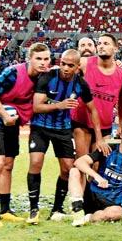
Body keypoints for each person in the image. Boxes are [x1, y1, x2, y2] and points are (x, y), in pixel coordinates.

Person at [27, 49, 108, 224]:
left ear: (78, 67)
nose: (65, 68)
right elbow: (36, 107)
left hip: (62, 129)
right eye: (63, 63)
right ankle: (33, 208)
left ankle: (56, 208)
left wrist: (99, 137)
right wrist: (61, 105)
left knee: (67, 169)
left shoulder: (81, 84)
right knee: (35, 162)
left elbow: (93, 110)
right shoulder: (48, 77)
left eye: (70, 65)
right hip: (40, 127)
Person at [0, 43, 50, 227]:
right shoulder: (13, 72)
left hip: (13, 120)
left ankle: (5, 210)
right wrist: (4, 115)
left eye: (46, 59)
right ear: (30, 59)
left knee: (9, 165)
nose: (43, 63)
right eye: (39, 59)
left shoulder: (45, 77)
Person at [69, 121, 122, 227]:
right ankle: (77, 210)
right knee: (74, 171)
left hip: (113, 203)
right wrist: (97, 177)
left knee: (116, 213)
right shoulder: (108, 149)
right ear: (120, 134)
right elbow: (79, 162)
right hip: (93, 194)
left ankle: (87, 218)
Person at [71, 33, 122, 158]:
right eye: (99, 43)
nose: (101, 46)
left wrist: (121, 126)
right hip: (82, 122)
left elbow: (121, 104)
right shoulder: (85, 63)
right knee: (82, 162)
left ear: (116, 48)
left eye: (106, 44)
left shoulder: (121, 73)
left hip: (105, 125)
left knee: (97, 166)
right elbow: (66, 68)